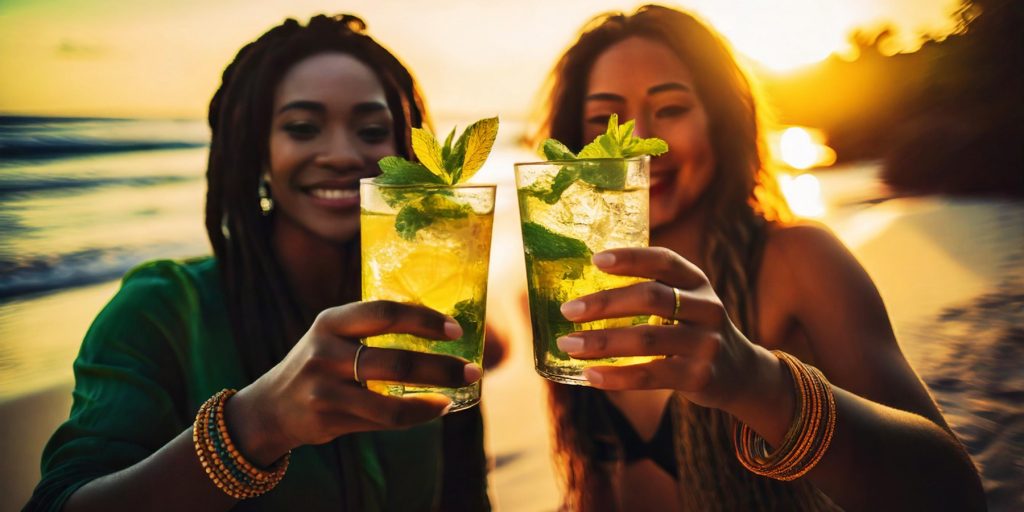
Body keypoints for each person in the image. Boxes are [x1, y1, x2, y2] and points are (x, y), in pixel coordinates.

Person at [25, 14, 493, 512]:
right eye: (302, 128)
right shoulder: (161, 311)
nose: (341, 154)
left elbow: (464, 496)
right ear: (258, 153)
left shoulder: (435, 305)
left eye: (373, 130)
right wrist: (258, 425)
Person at [533, 5, 986, 511]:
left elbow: (955, 494)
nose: (639, 143)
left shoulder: (799, 261)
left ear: (721, 120)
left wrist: (758, 382)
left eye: (671, 108)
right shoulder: (570, 291)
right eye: (604, 119)